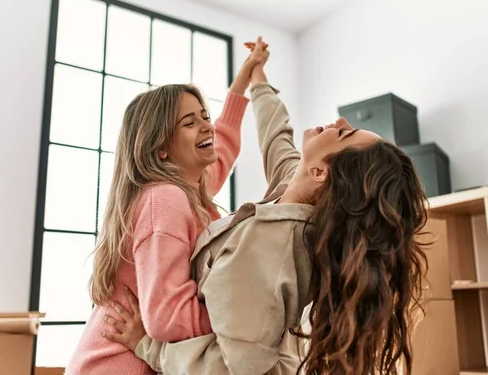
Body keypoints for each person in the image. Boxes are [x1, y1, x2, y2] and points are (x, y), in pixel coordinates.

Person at [105, 42, 429, 375]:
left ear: (320, 172)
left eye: (344, 133)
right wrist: (256, 77)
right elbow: (275, 133)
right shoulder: (293, 188)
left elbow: (233, 368)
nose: (340, 120)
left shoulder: (270, 247)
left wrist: (147, 346)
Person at [66, 38, 270, 375]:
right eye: (189, 123)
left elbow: (223, 143)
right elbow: (168, 318)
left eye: (204, 116)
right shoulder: (166, 199)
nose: (206, 126)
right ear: (161, 149)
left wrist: (243, 79)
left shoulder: (188, 191)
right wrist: (248, 317)